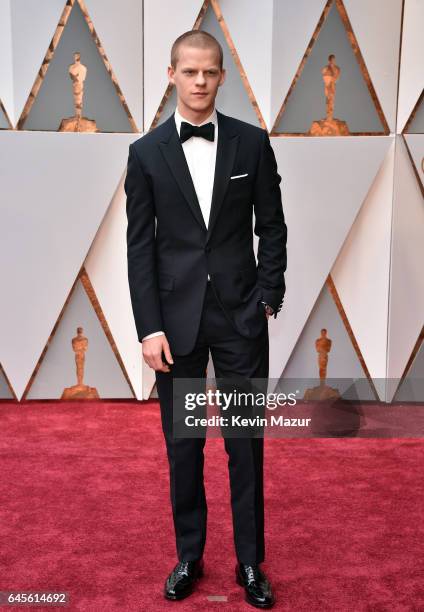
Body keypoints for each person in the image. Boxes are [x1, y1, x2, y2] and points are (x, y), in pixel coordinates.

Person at [124, 29, 287, 609]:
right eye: (190, 72)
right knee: (184, 445)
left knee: (245, 444)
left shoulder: (251, 144)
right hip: (175, 323)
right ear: (172, 74)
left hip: (241, 318)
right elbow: (139, 247)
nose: (199, 82)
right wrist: (149, 326)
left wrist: (270, 293)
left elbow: (272, 224)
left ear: (222, 77)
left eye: (210, 73)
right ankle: (189, 555)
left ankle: (250, 563)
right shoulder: (144, 154)